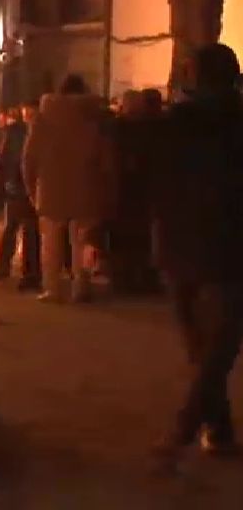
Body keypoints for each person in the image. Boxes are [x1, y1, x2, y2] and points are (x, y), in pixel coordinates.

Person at [149, 43, 243, 466]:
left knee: (205, 345)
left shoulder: (172, 125)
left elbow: (149, 183)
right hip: (223, 246)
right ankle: (213, 427)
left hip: (181, 245)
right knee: (217, 345)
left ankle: (191, 426)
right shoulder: (184, 124)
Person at [23, 75, 113, 303]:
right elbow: (107, 160)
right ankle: (80, 286)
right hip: (86, 190)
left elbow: (28, 159)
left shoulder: (42, 119)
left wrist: (32, 190)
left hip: (50, 190)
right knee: (81, 243)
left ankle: (52, 288)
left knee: (51, 245)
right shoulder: (94, 119)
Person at [111, 90, 161, 295]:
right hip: (144, 189)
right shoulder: (152, 128)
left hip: (122, 188)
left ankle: (123, 279)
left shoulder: (116, 128)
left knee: (124, 238)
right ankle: (145, 278)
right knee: (143, 237)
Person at [0, 102, 42, 291]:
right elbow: (5, 158)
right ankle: (3, 266)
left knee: (31, 232)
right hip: (16, 187)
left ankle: (31, 273)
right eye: (25, 109)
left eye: (31, 109)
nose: (27, 113)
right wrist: (3, 183)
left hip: (33, 187)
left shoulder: (42, 130)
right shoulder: (15, 132)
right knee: (11, 228)